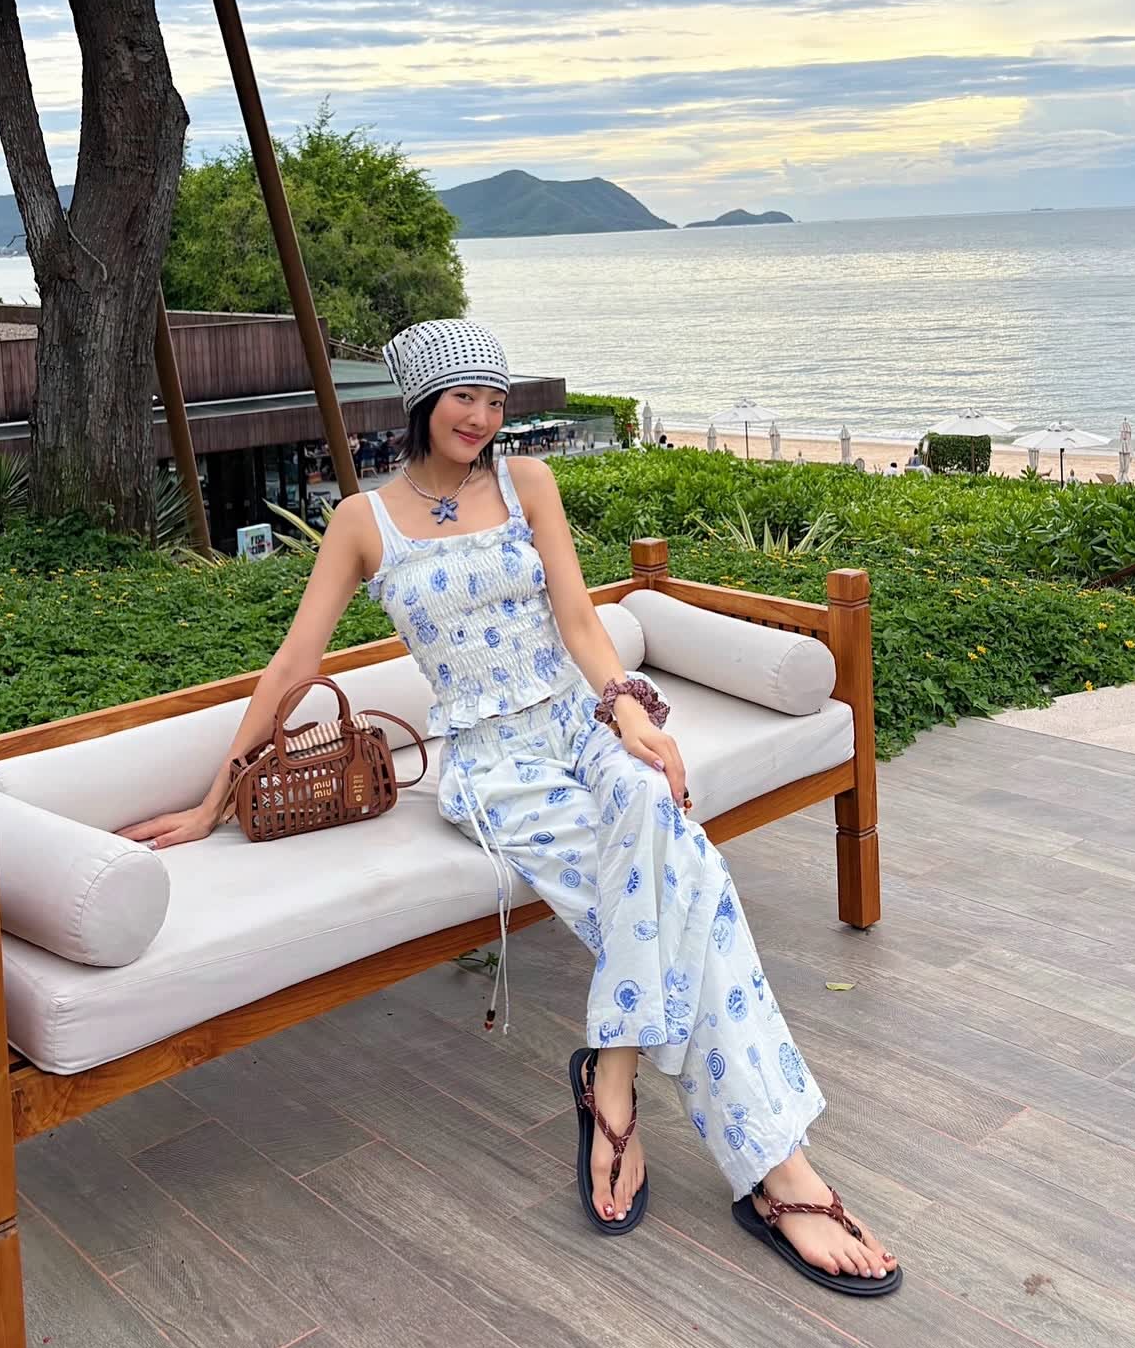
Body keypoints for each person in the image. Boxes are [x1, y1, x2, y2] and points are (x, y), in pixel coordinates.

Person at [118, 318, 899, 1294]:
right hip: (493, 763)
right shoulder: (366, 522)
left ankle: (614, 1076)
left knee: (664, 829)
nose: (483, 418)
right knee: (690, 887)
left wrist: (628, 709)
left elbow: (578, 619)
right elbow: (292, 667)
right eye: (464, 398)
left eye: (496, 400)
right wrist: (211, 803)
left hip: (582, 724)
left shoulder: (528, 482)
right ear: (421, 403)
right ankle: (782, 1173)